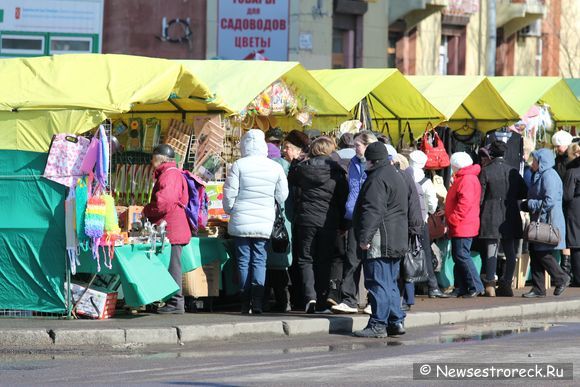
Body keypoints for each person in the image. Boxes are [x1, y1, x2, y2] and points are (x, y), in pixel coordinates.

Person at [223, 129, 289, 314]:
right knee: (260, 260)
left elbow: (229, 193)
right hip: (264, 220)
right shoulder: (274, 166)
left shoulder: (238, 165)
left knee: (243, 261)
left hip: (241, 219)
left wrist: (230, 210)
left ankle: (245, 303)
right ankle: (258, 303)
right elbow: (282, 195)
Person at [352, 142, 409, 338]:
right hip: (396, 237)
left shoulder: (377, 178)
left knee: (377, 282)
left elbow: (373, 211)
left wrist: (364, 238)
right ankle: (395, 321)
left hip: (380, 239)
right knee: (390, 282)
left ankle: (377, 323)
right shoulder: (397, 175)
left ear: (371, 160)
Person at [288, 136, 348, 314]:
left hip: (306, 220)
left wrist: (294, 163)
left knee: (306, 259)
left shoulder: (301, 170)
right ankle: (322, 301)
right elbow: (343, 199)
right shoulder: (337, 172)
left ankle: (309, 298)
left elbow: (291, 184)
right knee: (324, 260)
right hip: (328, 221)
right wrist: (343, 224)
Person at [332, 131, 378, 314]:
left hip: (370, 217)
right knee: (352, 259)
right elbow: (353, 190)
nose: (354, 148)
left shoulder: (377, 164)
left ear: (368, 145)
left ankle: (372, 301)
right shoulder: (353, 163)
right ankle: (349, 300)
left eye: (357, 145)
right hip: (353, 216)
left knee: (372, 260)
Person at [143, 144, 191, 314]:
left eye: (152, 157)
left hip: (171, 228)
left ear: (159, 158)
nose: (151, 161)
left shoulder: (169, 175)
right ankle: (173, 301)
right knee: (171, 265)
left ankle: (176, 302)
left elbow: (165, 201)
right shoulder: (170, 173)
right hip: (172, 226)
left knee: (173, 266)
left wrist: (147, 209)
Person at [478, 141, 528, 297]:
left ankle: (490, 285)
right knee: (510, 250)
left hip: (490, 212)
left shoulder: (486, 171)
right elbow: (523, 192)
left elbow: (480, 196)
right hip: (510, 213)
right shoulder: (513, 171)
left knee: (491, 249)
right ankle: (506, 283)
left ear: (491, 153)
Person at [521, 148, 570, 298]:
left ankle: (561, 277)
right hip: (541, 220)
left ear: (542, 162)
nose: (532, 163)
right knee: (536, 252)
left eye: (535, 160)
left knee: (542, 252)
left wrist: (530, 204)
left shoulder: (549, 176)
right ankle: (538, 288)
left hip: (548, 221)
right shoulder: (541, 175)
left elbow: (549, 201)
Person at [408, 150, 449, 298]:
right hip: (421, 221)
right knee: (425, 250)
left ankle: (408, 289)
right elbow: (432, 205)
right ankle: (432, 286)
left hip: (404, 221)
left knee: (407, 254)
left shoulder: (403, 176)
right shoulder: (426, 182)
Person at [445, 152, 485, 298]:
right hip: (464, 223)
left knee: (462, 255)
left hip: (463, 224)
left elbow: (464, 204)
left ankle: (475, 286)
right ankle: (462, 287)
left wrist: (453, 219)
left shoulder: (466, 179)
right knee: (459, 256)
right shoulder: (466, 178)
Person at [282, 129, 311, 309]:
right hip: (298, 218)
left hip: (300, 219)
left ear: (298, 150)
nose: (284, 150)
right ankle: (300, 298)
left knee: (301, 259)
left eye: (287, 147)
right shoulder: (297, 166)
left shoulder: (299, 168)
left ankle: (301, 298)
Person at [264, 145, 293, 312]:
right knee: (281, 266)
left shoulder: (269, 173)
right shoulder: (288, 172)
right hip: (285, 225)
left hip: (271, 224)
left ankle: (265, 300)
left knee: (267, 266)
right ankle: (284, 302)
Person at [552, 130, 574, 276]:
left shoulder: (564, 162)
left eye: (558, 146)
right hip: (565, 201)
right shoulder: (562, 160)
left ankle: (566, 267)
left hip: (566, 201)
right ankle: (566, 267)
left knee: (567, 235)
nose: (556, 148)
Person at [564, 143, 580, 286]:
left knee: (575, 243)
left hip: (575, 208)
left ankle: (578, 277)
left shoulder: (572, 172)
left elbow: (567, 195)